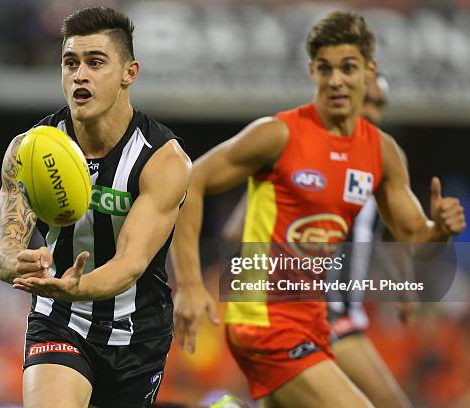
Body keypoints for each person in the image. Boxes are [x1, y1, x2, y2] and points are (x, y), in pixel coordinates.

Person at [171, 11, 465, 408]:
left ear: (369, 69)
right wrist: (190, 284)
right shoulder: (277, 135)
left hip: (313, 324)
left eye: (348, 68)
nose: (336, 80)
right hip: (265, 322)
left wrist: (441, 230)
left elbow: (415, 237)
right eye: (325, 68)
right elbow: (190, 181)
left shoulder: (382, 153)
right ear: (312, 71)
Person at [0, 7, 191, 408]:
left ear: (129, 73)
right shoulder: (29, 150)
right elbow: (3, 246)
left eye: (95, 62)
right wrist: (19, 262)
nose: (79, 74)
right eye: (70, 63)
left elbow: (130, 263)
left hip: (137, 335)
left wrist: (77, 285)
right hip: (58, 320)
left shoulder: (163, 161)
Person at [220, 72, 413, 408]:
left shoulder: (377, 161)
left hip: (333, 312)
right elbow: (236, 230)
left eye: (379, 104)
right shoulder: (307, 156)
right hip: (321, 312)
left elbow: (382, 233)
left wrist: (404, 282)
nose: (373, 112)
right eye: (367, 100)